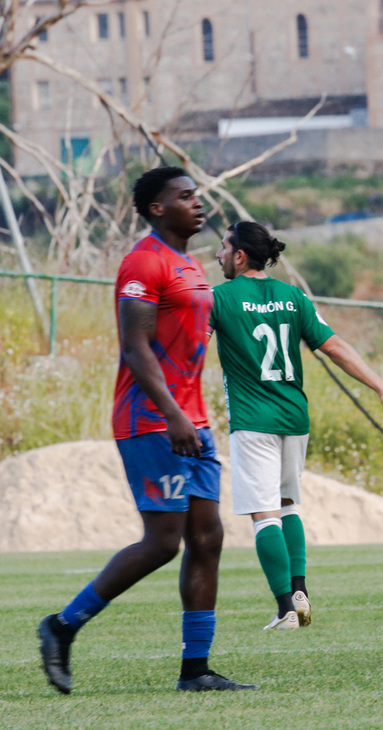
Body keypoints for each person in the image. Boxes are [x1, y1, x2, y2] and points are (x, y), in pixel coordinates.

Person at [38, 166, 257, 694]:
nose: (197, 203)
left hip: (191, 420)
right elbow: (135, 348)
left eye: (197, 195)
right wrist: (173, 415)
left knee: (208, 538)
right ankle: (62, 626)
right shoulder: (142, 262)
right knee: (163, 542)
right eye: (185, 197)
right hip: (150, 421)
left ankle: (195, 671)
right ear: (158, 207)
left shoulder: (191, 265)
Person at [210, 221, 383, 631]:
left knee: (264, 516)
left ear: (240, 255)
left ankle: (285, 610)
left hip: (253, 420)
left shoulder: (220, 298)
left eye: (223, 248)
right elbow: (335, 347)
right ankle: (299, 591)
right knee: (288, 505)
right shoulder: (293, 296)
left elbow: (190, 348)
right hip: (295, 418)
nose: (218, 255)